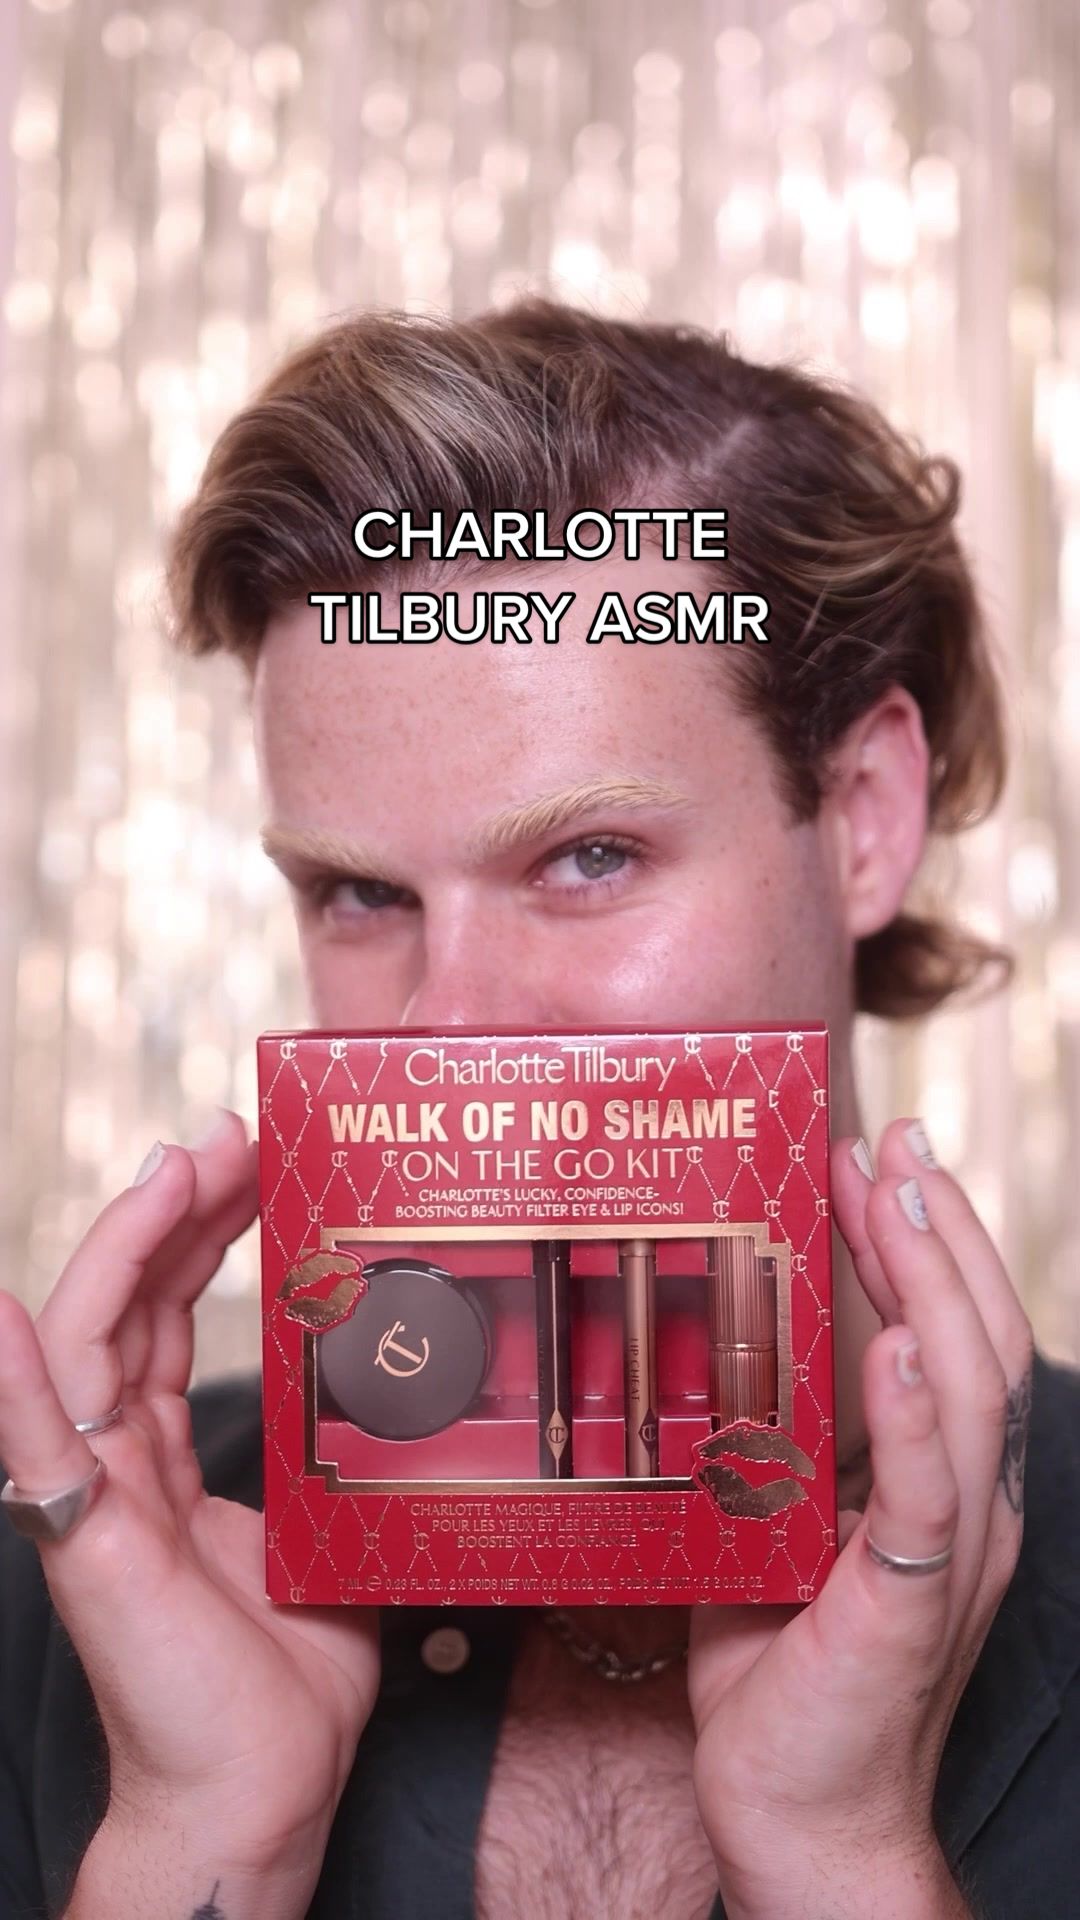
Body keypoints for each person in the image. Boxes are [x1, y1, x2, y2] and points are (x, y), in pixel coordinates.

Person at [2, 298, 1079, 1920]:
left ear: (863, 818)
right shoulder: (115, 1576)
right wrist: (197, 1832)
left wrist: (843, 1861)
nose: (446, 1027)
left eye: (589, 858)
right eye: (362, 894)